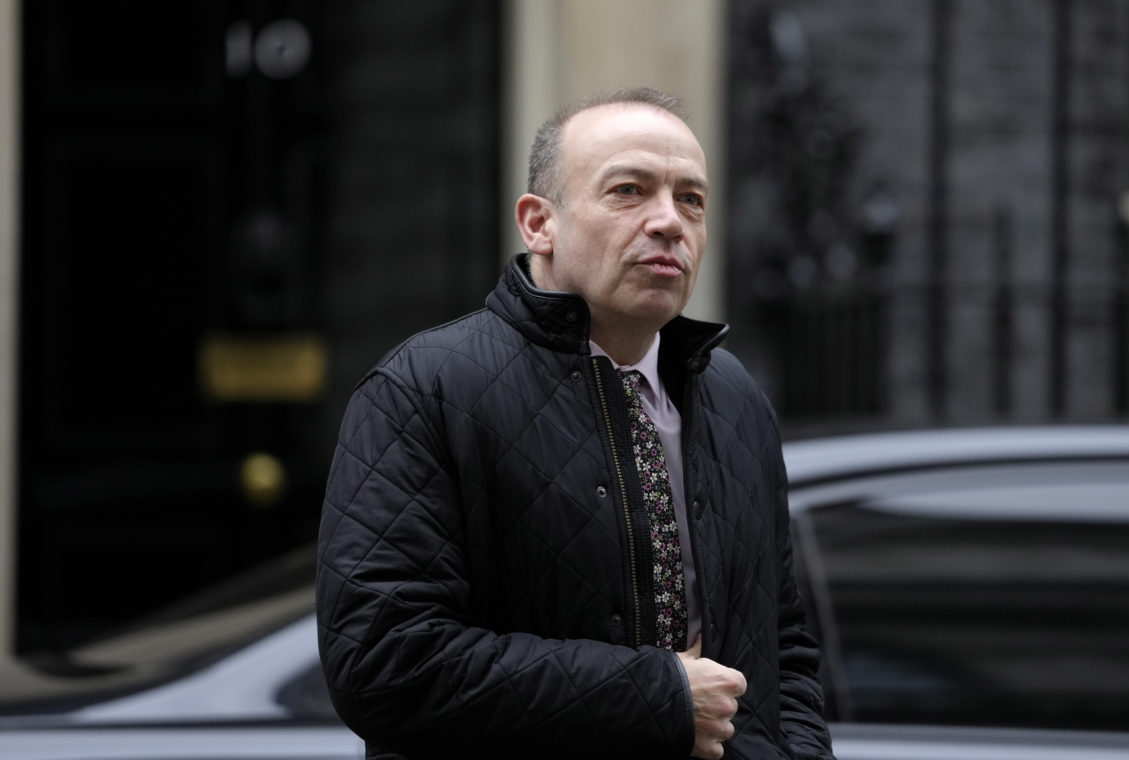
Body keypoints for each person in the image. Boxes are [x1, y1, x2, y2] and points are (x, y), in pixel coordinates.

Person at [317, 87, 835, 760]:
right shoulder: (426, 388)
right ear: (539, 224)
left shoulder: (734, 398)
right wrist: (659, 696)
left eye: (691, 200)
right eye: (629, 191)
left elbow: (783, 645)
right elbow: (383, 662)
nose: (668, 221)